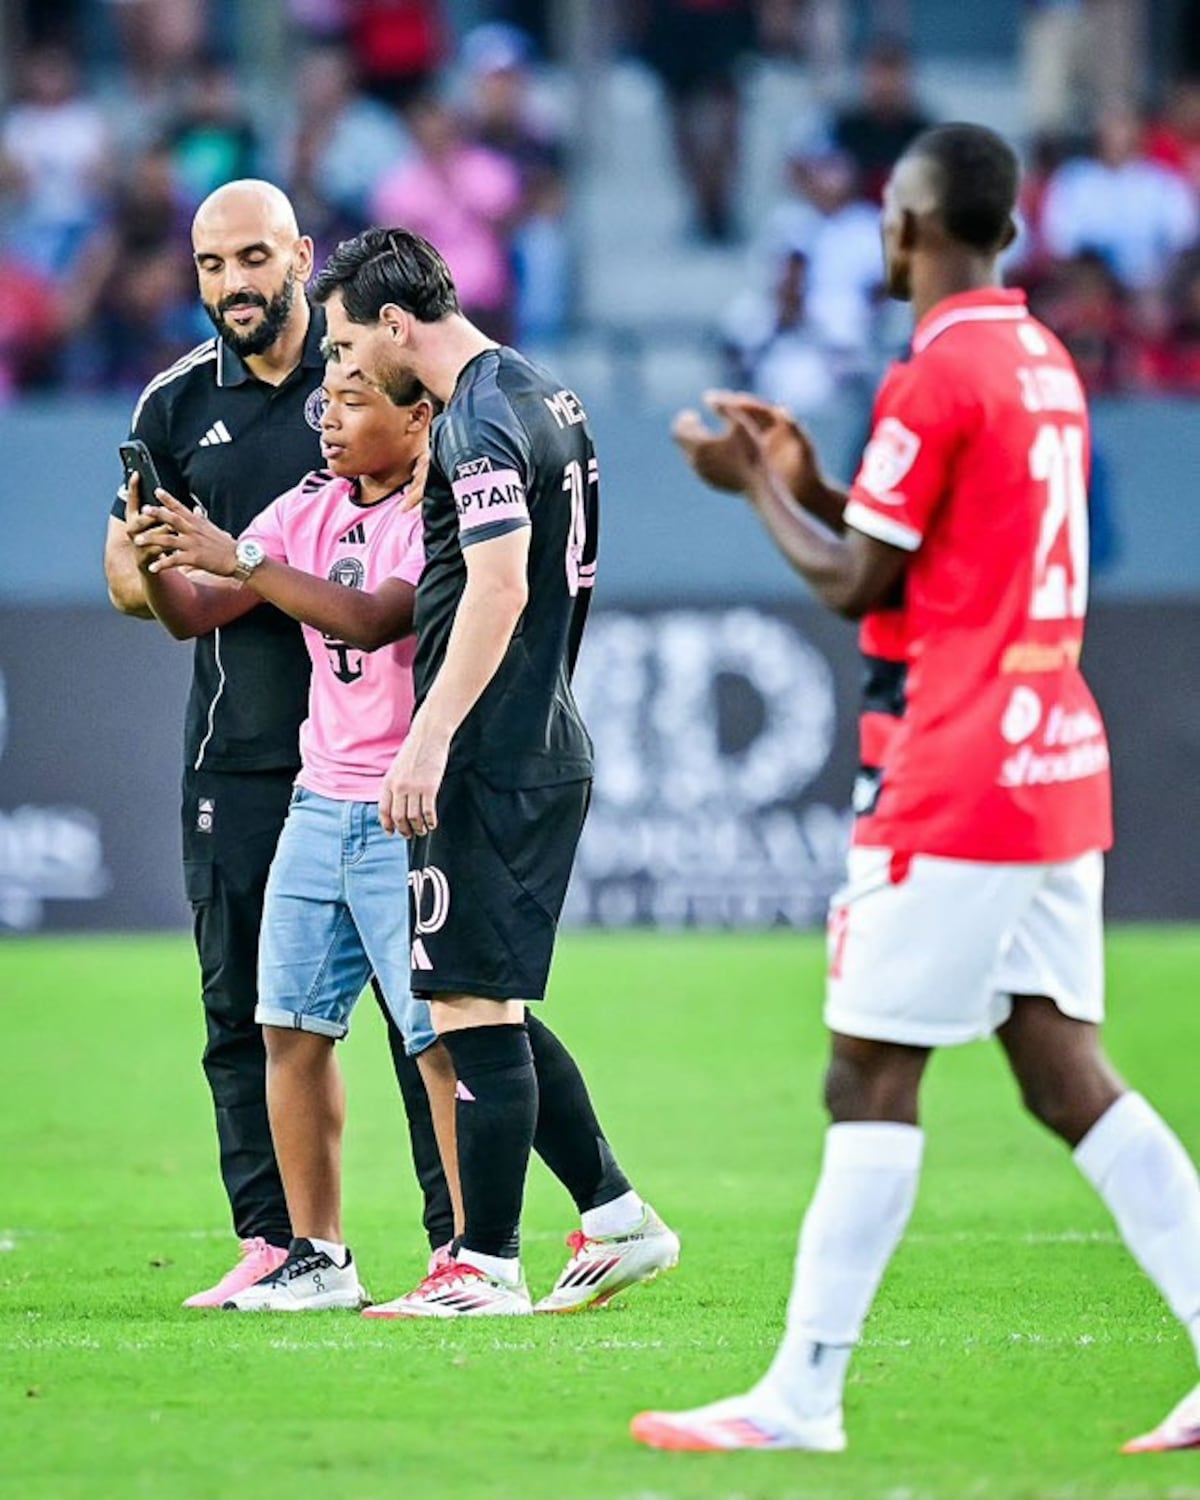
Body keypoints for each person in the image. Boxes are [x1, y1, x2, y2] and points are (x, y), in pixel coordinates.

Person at [631, 123, 1200, 1454]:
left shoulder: (934, 372)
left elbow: (859, 582)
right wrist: (808, 476)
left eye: (888, 212)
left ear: (911, 226)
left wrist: (751, 489)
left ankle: (802, 1398)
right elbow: (931, 534)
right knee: (1065, 1073)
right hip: (1055, 746)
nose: (880, 231)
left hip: (960, 762)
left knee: (866, 1075)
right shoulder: (1039, 359)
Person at [312, 226, 680, 1317]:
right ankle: (616, 1219)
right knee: (484, 1000)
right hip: (533, 737)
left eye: (344, 343)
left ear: (394, 324)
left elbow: (500, 588)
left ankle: (483, 1264)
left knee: (468, 1003)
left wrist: (425, 738)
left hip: (492, 751)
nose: (341, 368)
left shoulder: (473, 419)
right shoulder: (538, 390)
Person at [103, 180, 453, 1308]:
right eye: (211, 266)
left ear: (299, 255)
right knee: (250, 1008)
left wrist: (229, 561)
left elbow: (397, 578)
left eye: (253, 258)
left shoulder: (365, 365)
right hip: (245, 748)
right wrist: (162, 557)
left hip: (382, 754)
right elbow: (134, 574)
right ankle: (282, 1244)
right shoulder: (173, 404)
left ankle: (462, 1244)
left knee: (429, 1013)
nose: (234, 285)